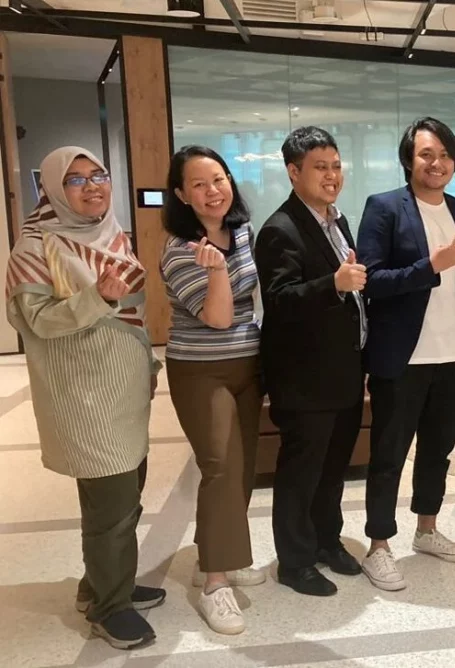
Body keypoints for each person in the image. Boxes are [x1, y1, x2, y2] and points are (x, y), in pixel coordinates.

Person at [4, 146, 164, 650]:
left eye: (98, 175)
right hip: (84, 396)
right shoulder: (34, 247)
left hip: (124, 387)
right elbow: (37, 321)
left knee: (123, 494)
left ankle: (102, 581)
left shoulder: (112, 233)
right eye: (76, 180)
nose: (93, 187)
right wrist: (99, 298)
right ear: (52, 189)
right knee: (112, 506)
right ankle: (108, 608)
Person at [356, 117, 455, 591]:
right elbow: (372, 282)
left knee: (437, 452)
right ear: (409, 160)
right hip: (403, 358)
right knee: (388, 455)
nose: (437, 162)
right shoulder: (384, 207)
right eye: (427, 154)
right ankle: (379, 546)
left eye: (445, 154)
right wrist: (429, 267)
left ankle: (426, 529)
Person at [255, 126, 365, 597]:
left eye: (336, 165)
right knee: (301, 472)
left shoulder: (337, 222)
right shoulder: (280, 230)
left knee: (333, 466)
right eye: (320, 167)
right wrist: (333, 285)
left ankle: (325, 540)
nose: (331, 175)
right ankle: (295, 561)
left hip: (343, 370)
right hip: (304, 376)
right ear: (293, 172)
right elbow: (279, 301)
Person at [160, 145, 264, 634]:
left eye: (218, 179)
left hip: (249, 363)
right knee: (220, 465)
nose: (212, 191)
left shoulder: (240, 231)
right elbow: (220, 317)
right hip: (201, 370)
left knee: (243, 468)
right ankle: (215, 584)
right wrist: (217, 270)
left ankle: (214, 553)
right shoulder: (179, 250)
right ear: (181, 194)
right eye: (198, 184)